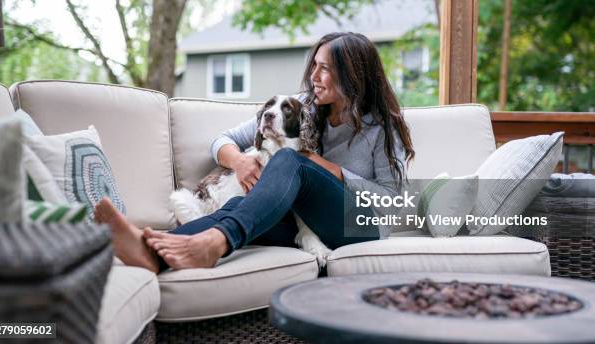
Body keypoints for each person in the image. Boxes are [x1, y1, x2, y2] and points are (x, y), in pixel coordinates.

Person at [94, 32, 415, 273]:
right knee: (239, 203)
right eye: (314, 66)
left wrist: (327, 168)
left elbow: (392, 201)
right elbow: (223, 141)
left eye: (326, 69)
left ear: (353, 76)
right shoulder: (302, 106)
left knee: (290, 158)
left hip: (360, 225)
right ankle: (150, 254)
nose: (314, 76)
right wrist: (240, 161)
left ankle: (216, 243)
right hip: (308, 225)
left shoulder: (383, 128)